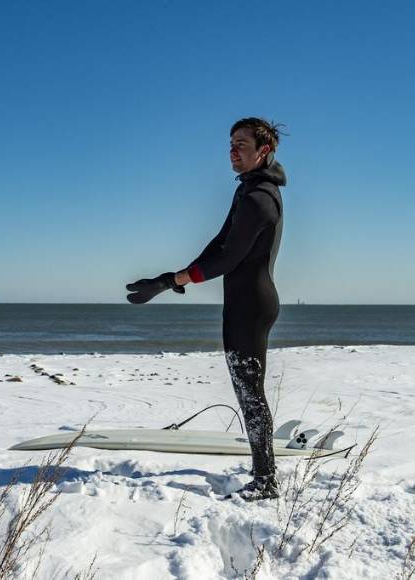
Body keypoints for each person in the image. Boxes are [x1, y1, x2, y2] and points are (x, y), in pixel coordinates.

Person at [125, 117, 287, 501]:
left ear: (263, 151)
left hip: (252, 305)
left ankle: (266, 482)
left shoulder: (260, 198)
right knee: (247, 392)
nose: (233, 151)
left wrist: (172, 282)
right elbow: (218, 243)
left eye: (241, 144)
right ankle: (262, 473)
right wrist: (172, 276)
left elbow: (228, 259)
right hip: (245, 303)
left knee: (251, 394)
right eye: (230, 143)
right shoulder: (247, 191)